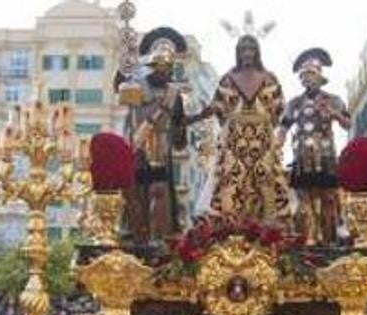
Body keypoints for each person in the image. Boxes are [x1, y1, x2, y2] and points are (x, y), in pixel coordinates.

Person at [189, 34, 291, 222]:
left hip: (262, 139)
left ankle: (267, 229)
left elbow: (279, 109)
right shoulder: (227, 79)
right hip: (234, 139)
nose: (247, 53)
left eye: (250, 49)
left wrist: (264, 124)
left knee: (265, 179)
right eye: (243, 49)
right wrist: (194, 118)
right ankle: (231, 226)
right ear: (238, 52)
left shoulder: (270, 79)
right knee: (231, 179)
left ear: (257, 52)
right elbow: (216, 107)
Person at [119, 27, 190, 240]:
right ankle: (136, 235)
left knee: (160, 192)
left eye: (167, 68)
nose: (163, 71)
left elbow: (179, 134)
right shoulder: (136, 85)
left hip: (162, 150)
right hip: (138, 147)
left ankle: (161, 237)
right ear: (151, 64)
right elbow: (129, 114)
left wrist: (180, 129)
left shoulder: (174, 95)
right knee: (137, 194)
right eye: (158, 66)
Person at [280, 47, 350, 244]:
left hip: (326, 154)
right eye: (303, 76)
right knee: (304, 197)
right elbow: (284, 126)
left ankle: (329, 236)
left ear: (319, 77)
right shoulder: (294, 103)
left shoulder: (333, 100)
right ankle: (310, 235)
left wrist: (331, 112)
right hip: (302, 155)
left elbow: (347, 124)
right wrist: (277, 145)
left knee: (328, 196)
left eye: (310, 75)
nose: (306, 79)